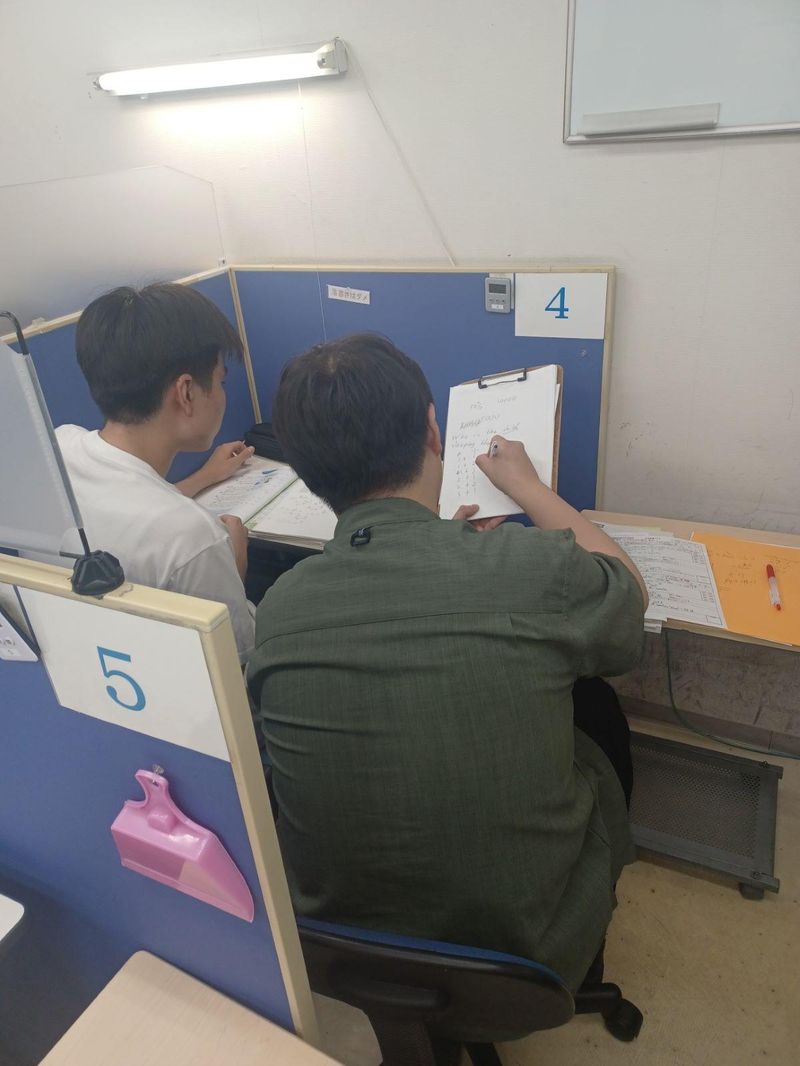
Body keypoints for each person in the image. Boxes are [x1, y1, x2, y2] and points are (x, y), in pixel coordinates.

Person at [247, 333, 648, 989]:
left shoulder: (280, 607)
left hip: (342, 944)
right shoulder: (528, 568)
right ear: (433, 431)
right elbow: (626, 591)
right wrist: (526, 487)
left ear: (306, 470)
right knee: (595, 708)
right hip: (529, 952)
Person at [56, 282, 256, 661]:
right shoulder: (194, 539)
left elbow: (126, 513)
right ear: (186, 393)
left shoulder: (59, 448)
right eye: (220, 381)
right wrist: (235, 564)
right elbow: (236, 665)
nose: (222, 393)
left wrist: (203, 478)